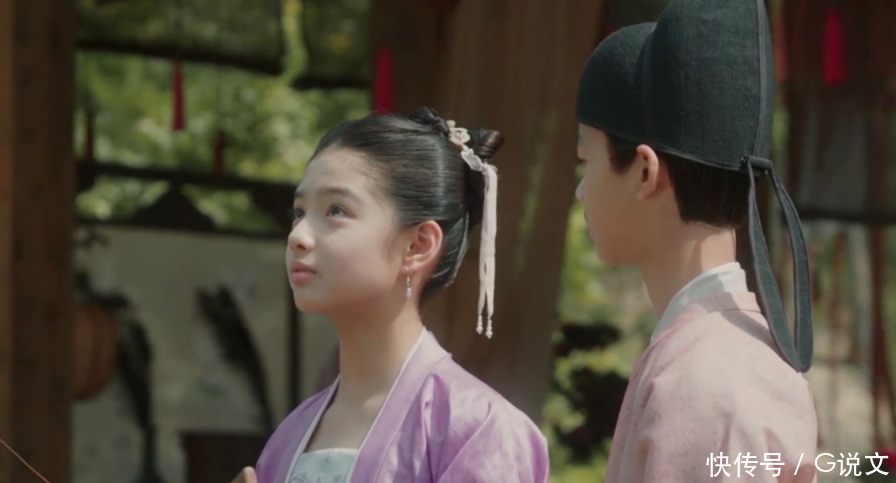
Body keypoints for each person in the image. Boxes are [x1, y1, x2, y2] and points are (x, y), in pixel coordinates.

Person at [574, 2, 818, 482]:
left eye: (587, 160)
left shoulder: (710, 385)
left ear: (645, 172)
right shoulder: (721, 357)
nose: (581, 190)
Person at [241, 107, 549, 483]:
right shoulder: (290, 435)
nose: (298, 237)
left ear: (418, 245)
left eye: (336, 210)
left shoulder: (477, 429)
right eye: (299, 212)